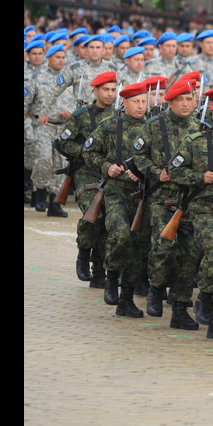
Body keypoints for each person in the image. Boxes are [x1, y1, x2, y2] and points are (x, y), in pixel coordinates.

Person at [166, 98, 213, 340]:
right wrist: (199, 177)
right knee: (212, 253)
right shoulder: (195, 142)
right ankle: (198, 302)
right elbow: (173, 170)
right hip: (200, 209)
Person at [132, 80, 201, 327]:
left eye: (189, 99)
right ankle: (156, 288)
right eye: (180, 100)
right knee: (164, 247)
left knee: (189, 254)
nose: (186, 103)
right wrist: (154, 172)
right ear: (169, 102)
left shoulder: (199, 128)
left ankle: (180, 307)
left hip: (190, 198)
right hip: (163, 196)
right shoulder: (154, 126)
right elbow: (137, 156)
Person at [82, 82, 149, 318]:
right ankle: (111, 277)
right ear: (125, 103)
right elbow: (88, 151)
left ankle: (127, 298)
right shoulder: (110, 126)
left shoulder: (152, 129)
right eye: (136, 102)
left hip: (142, 193)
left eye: (144, 101)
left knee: (138, 244)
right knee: (120, 233)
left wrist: (143, 171)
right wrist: (106, 167)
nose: (141, 106)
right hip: (116, 190)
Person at [55, 70, 118, 285]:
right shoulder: (81, 115)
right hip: (86, 173)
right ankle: (83, 252)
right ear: (96, 90)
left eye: (113, 89)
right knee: (93, 218)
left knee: (109, 219)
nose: (110, 94)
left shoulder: (119, 114)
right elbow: (63, 142)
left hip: (111, 174)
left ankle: (99, 269)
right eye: (106, 90)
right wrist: (86, 151)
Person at [25, 44, 77, 217]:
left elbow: (77, 99)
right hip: (43, 126)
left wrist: (71, 112)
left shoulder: (69, 79)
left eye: (63, 57)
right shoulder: (37, 77)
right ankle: (39, 190)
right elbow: (26, 101)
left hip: (63, 127)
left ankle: (55, 202)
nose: (61, 60)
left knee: (61, 165)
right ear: (49, 58)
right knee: (44, 159)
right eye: (57, 57)